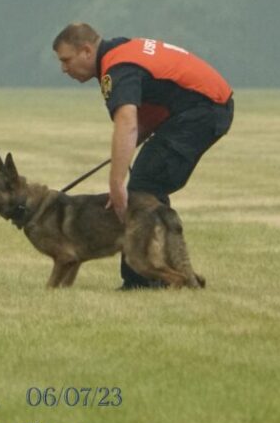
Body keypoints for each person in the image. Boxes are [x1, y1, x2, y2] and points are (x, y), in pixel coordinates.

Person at [52, 22, 233, 290]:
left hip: (203, 111)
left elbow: (127, 121)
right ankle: (174, 273)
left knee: (142, 189)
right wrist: (126, 150)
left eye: (67, 60)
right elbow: (147, 109)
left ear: (87, 51)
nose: (64, 69)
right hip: (204, 107)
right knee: (148, 182)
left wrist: (115, 185)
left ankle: (142, 281)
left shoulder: (118, 68)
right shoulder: (122, 50)